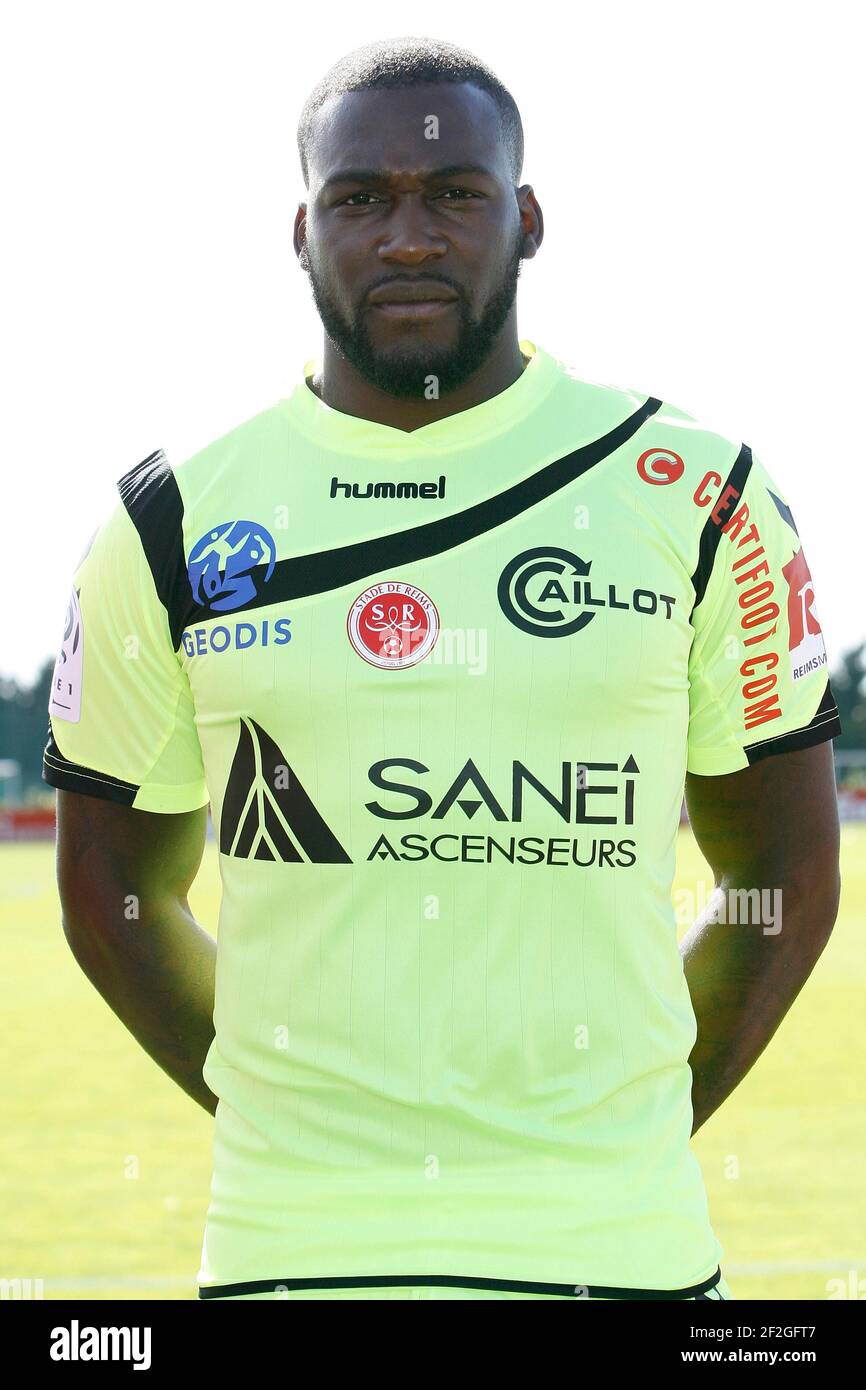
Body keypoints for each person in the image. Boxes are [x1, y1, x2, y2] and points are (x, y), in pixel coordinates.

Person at [44, 36, 842, 1302]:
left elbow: (782, 874)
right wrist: (291, 1114)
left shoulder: (698, 492)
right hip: (287, 1263)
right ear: (301, 229)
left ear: (525, 219)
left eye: (453, 195)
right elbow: (110, 893)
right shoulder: (172, 516)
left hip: (623, 1262)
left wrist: (616, 1133)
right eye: (361, 199)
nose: (406, 237)